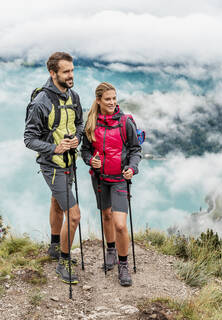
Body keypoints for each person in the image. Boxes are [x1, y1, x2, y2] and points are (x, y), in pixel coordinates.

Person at [24, 52, 83, 284]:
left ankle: (55, 247)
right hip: (53, 166)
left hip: (70, 162)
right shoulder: (41, 102)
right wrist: (54, 148)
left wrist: (77, 138)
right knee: (75, 216)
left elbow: (78, 123)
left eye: (72, 70)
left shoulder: (73, 96)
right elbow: (29, 139)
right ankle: (64, 262)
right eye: (66, 71)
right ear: (53, 73)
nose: (71, 75)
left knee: (56, 204)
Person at [81, 82, 141, 286]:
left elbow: (135, 149)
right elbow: (85, 150)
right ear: (98, 100)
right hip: (99, 178)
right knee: (106, 215)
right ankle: (111, 250)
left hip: (119, 179)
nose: (112, 102)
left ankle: (123, 265)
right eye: (107, 99)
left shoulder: (125, 122)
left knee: (120, 224)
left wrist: (132, 168)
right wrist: (91, 161)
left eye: (114, 98)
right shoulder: (90, 123)